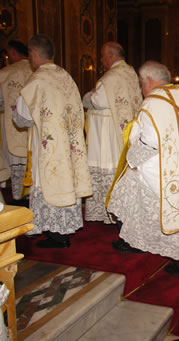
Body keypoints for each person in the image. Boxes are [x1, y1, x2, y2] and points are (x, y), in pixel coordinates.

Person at [107, 61, 179, 279]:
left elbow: (151, 141)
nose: (141, 88)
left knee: (130, 188)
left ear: (149, 81)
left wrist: (131, 159)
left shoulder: (153, 101)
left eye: (141, 83)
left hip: (161, 169)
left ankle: (136, 242)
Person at [13, 34, 92, 248]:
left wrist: (17, 113)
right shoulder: (66, 76)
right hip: (69, 141)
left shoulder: (38, 80)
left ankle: (55, 235)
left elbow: (22, 117)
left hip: (48, 145)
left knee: (47, 179)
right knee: (65, 180)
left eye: (30, 54)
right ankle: (61, 229)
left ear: (35, 54)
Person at [82, 42, 142, 224]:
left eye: (102, 56)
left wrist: (87, 98)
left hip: (107, 133)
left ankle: (108, 212)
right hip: (127, 131)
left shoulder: (111, 77)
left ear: (110, 56)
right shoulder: (132, 73)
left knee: (107, 165)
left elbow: (99, 100)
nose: (101, 60)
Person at [0, 40, 33, 201]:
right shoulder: (37, 72)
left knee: (16, 164)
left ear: (12, 52)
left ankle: (17, 199)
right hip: (35, 131)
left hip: (13, 128)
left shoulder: (5, 74)